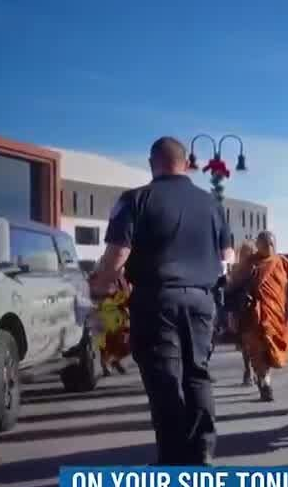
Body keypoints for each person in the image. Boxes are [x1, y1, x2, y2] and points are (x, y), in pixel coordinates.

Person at [89, 136, 234, 466]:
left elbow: (118, 253)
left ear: (152, 163)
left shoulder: (135, 199)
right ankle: (202, 452)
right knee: (197, 374)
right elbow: (227, 255)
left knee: (165, 379)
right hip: (201, 300)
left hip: (157, 300)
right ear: (186, 164)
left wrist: (102, 284)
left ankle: (172, 460)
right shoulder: (211, 204)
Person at [238, 231, 288, 402]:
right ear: (258, 245)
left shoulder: (283, 263)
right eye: (265, 244)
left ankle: (264, 377)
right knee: (258, 351)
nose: (269, 247)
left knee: (274, 351)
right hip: (255, 316)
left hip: (277, 316)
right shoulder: (250, 263)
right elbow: (235, 285)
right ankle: (265, 384)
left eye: (271, 244)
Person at [225, 242, 258, 386]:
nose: (248, 255)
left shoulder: (259, 268)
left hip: (256, 311)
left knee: (256, 344)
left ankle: (257, 371)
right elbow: (229, 293)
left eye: (250, 252)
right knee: (245, 344)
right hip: (242, 312)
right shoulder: (237, 271)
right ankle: (248, 370)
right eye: (245, 252)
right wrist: (231, 315)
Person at [94, 275, 132, 376]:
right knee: (107, 339)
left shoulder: (122, 276)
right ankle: (106, 363)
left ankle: (115, 359)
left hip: (121, 310)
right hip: (107, 308)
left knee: (127, 338)